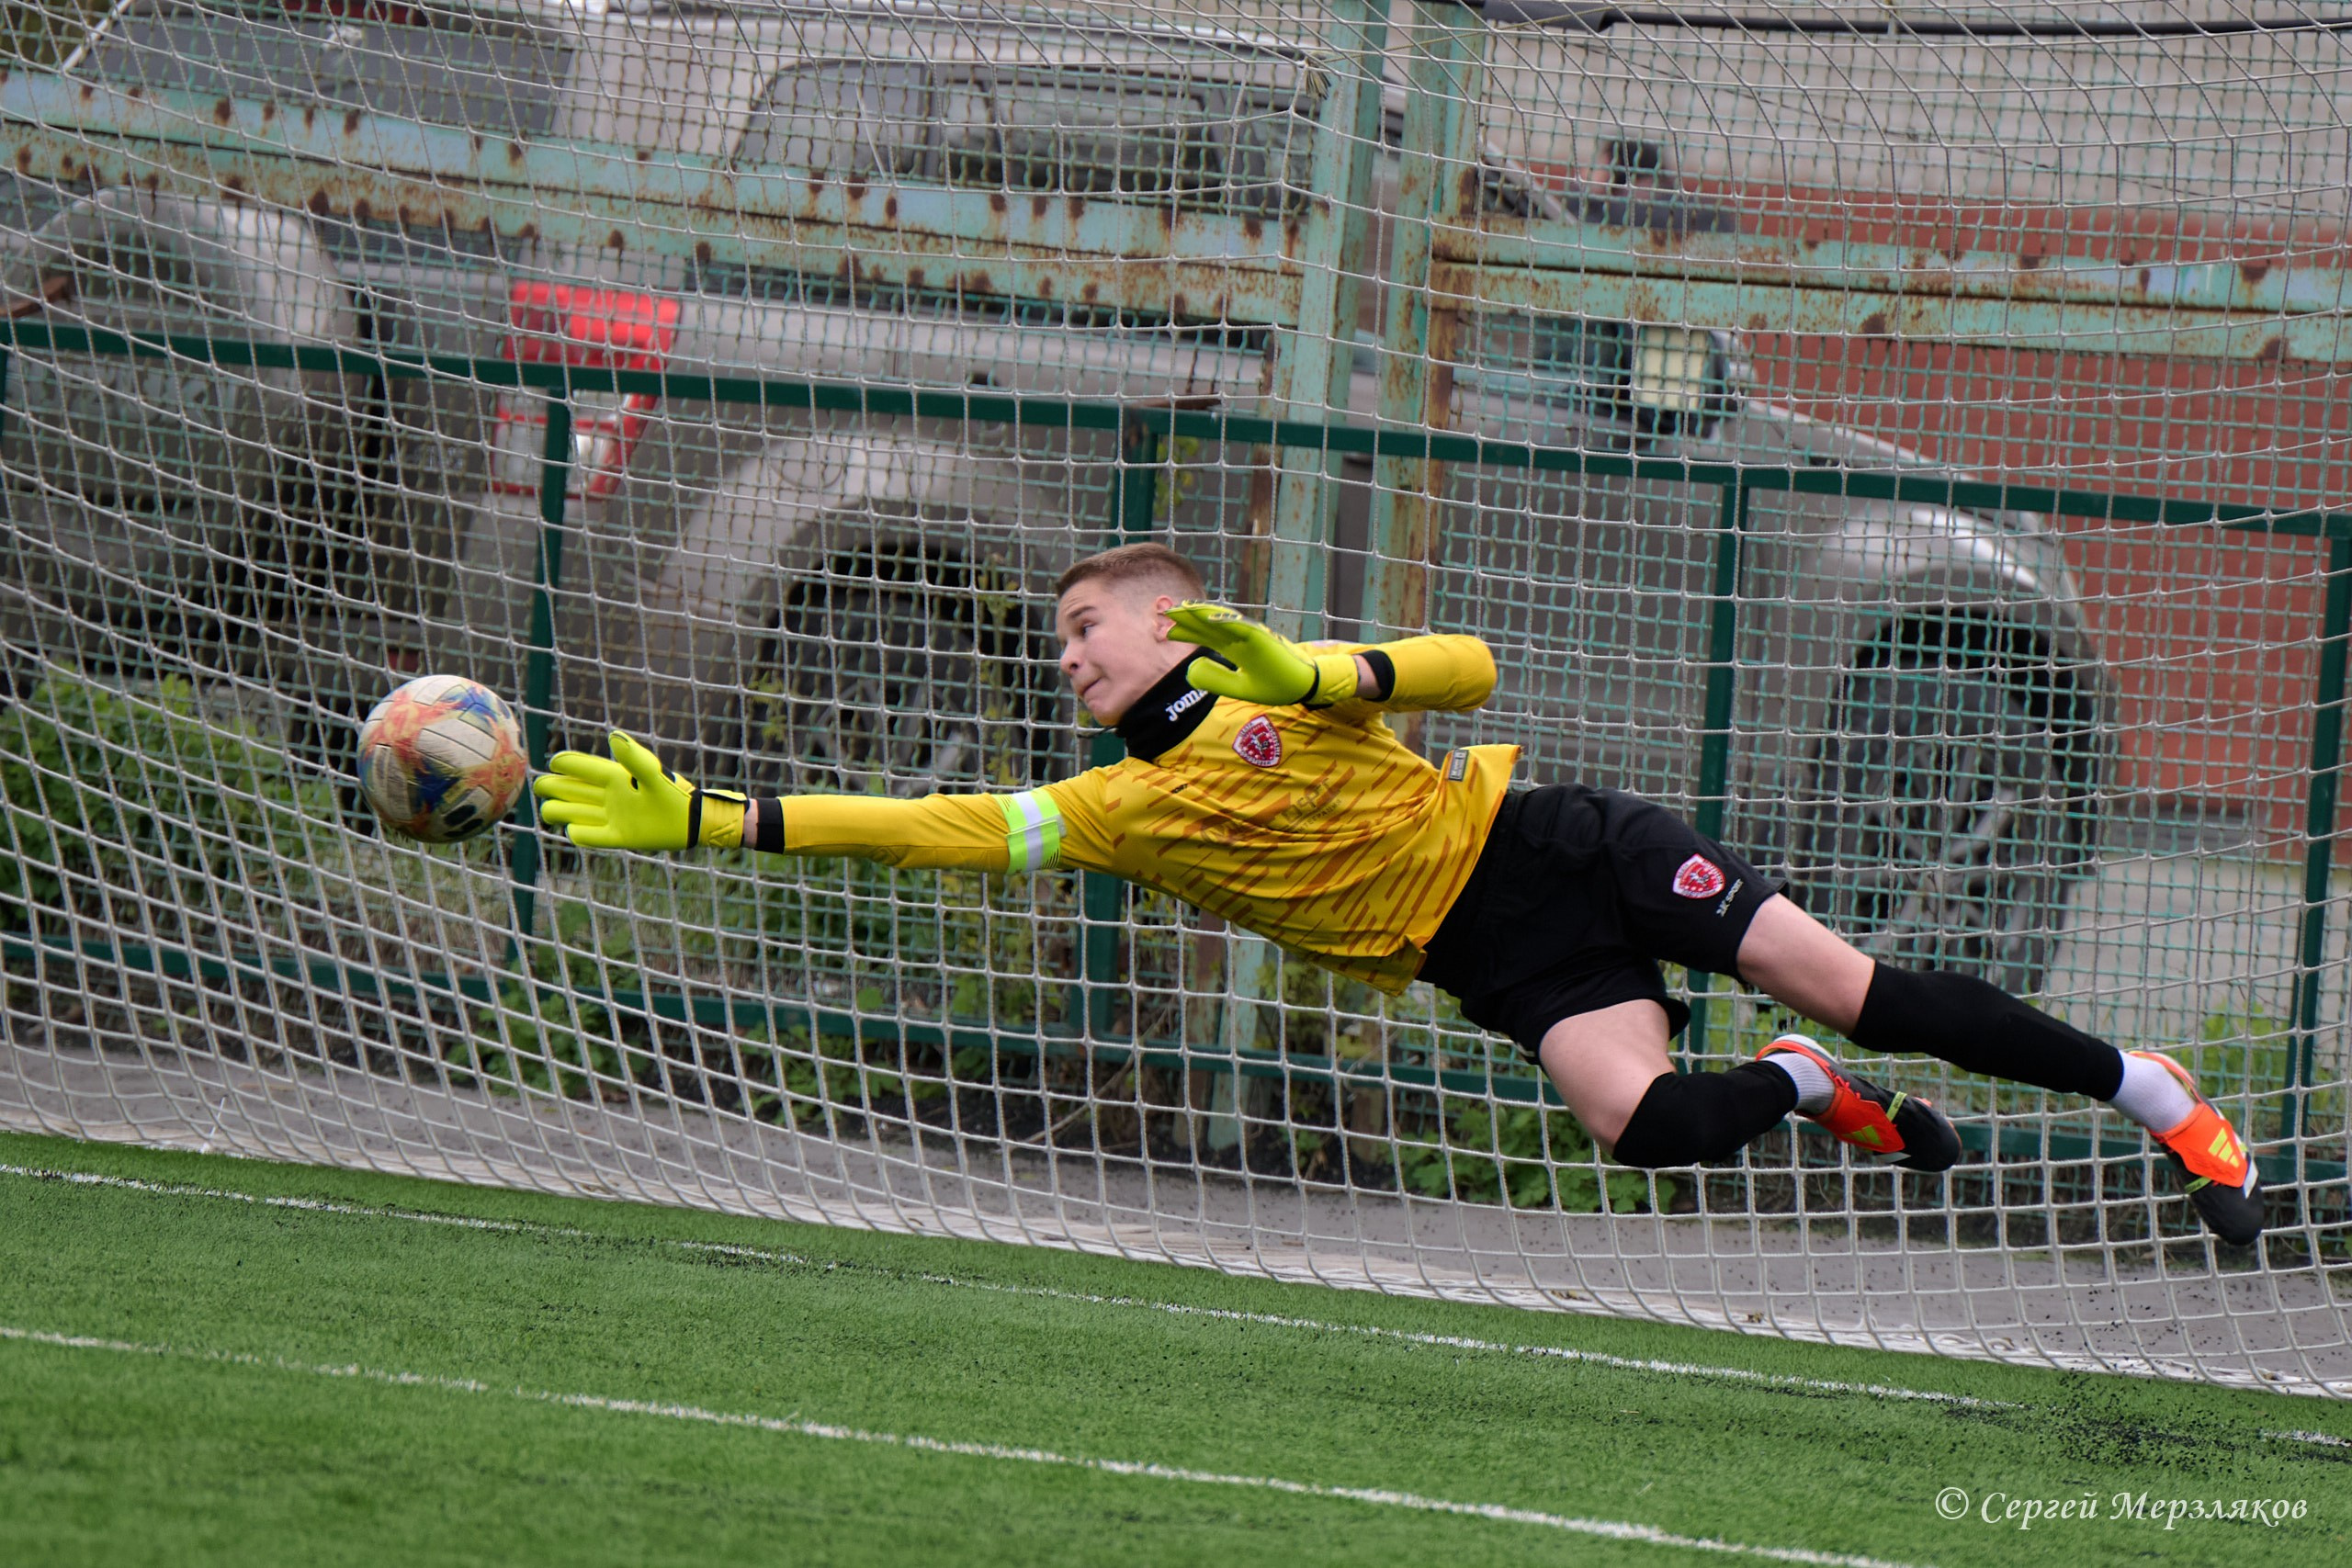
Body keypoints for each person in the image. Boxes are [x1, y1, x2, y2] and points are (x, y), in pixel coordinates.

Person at [533, 543, 2265, 1245]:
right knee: (1642, 1134)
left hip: (1554, 846)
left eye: (1085, 627)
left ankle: (2161, 1101)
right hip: (1487, 958)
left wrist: (1317, 665)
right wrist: (714, 818)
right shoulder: (1112, 808)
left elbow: (1475, 662)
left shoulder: (1272, 677)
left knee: (1862, 988)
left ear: (1166, 618)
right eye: (1055, 639)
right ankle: (1812, 1099)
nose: (1064, 655)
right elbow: (929, 828)